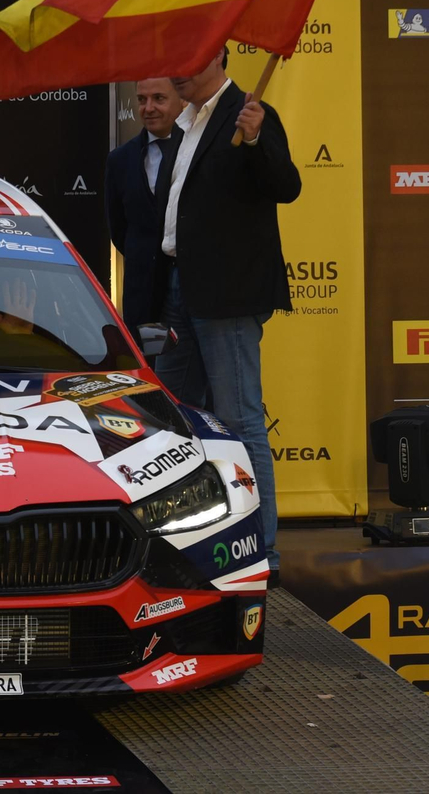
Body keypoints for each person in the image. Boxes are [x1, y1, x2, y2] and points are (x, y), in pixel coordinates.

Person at [156, 46, 301, 579]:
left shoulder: (250, 111)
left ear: (218, 59)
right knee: (175, 421)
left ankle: (263, 552)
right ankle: (189, 539)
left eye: (188, 60)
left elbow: (287, 186)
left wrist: (259, 137)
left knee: (240, 421)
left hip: (226, 295)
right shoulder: (188, 121)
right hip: (180, 288)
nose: (176, 69)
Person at [106, 78, 207, 405]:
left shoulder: (197, 152)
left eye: (159, 98)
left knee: (198, 398)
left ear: (181, 101)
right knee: (150, 397)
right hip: (144, 304)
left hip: (193, 297)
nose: (148, 108)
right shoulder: (119, 160)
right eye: (142, 99)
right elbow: (119, 230)